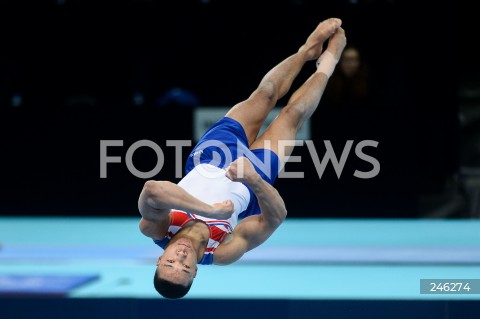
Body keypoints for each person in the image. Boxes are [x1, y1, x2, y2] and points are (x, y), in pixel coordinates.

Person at [137, 17, 347, 299]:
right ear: (196, 271)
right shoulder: (222, 252)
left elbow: (153, 189)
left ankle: (307, 50)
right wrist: (254, 180)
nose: (181, 257)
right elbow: (275, 218)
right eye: (185, 267)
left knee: (266, 94)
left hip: (211, 156)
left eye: (171, 262)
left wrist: (211, 211)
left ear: (159, 260)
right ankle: (329, 63)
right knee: (292, 116)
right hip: (251, 178)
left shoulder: (156, 228)